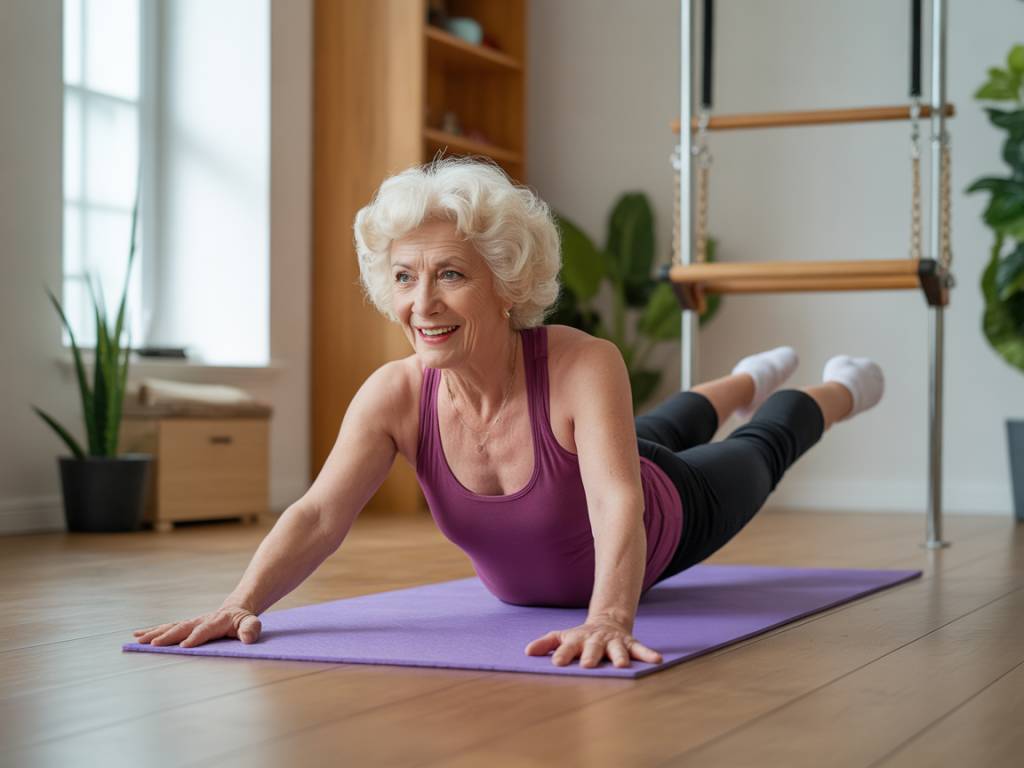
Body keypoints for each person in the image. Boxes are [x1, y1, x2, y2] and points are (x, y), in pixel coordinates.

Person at [132, 158, 884, 669]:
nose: (421, 304)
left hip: (670, 508)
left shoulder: (583, 363)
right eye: (404, 277)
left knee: (757, 446)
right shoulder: (395, 396)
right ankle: (744, 376)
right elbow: (320, 515)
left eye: (450, 274)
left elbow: (619, 501)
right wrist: (240, 603)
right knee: (659, 425)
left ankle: (836, 387)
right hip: (583, 460)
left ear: (507, 285)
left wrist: (611, 618)